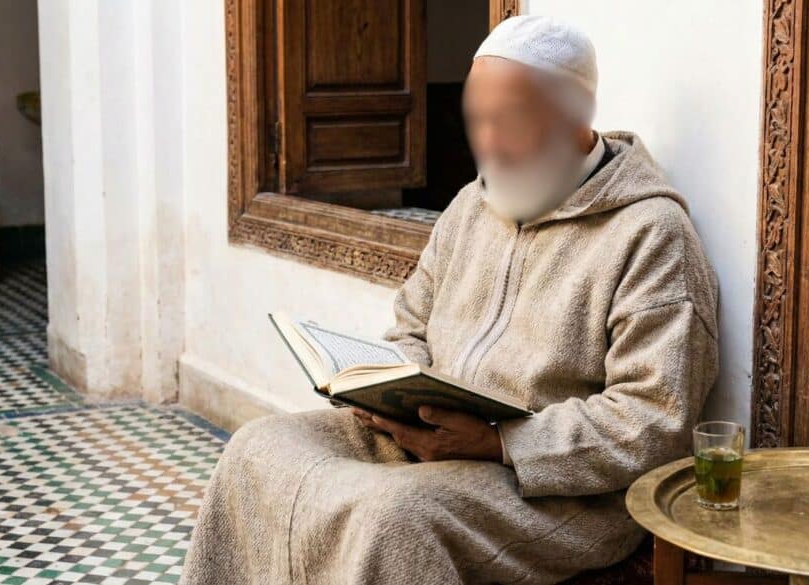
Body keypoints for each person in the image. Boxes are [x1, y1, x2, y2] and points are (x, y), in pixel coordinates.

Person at [181, 14, 719, 585]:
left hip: (557, 491)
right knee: (255, 450)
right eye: (477, 119)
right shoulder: (471, 205)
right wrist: (390, 389)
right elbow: (412, 320)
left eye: (506, 120)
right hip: (424, 439)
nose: (486, 142)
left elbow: (653, 419)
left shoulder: (652, 233)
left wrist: (499, 442)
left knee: (393, 519)